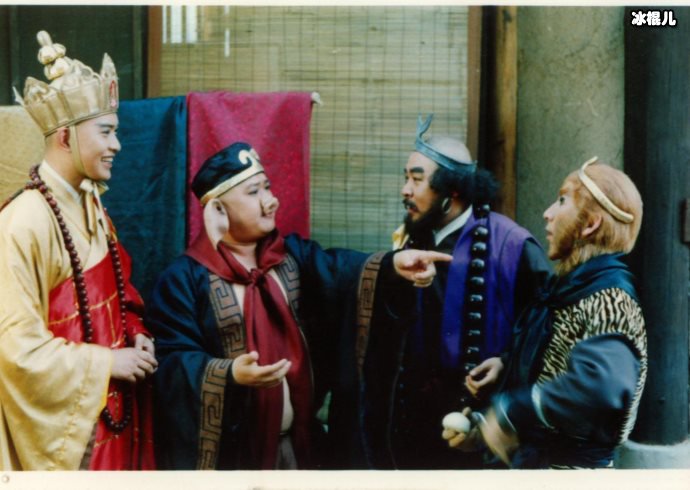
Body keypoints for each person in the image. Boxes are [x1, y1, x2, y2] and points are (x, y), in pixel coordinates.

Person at [146, 141, 451, 470]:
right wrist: (229, 373)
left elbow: (343, 272)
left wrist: (393, 266)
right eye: (253, 192)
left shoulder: (291, 258)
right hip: (232, 461)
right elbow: (170, 362)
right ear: (218, 209)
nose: (270, 201)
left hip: (302, 450)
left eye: (267, 187)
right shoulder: (184, 280)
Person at [357, 114, 552, 469]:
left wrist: (506, 362)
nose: (405, 190)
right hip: (410, 425)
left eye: (417, 179)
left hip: (475, 426)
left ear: (453, 191)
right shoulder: (411, 240)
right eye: (405, 178)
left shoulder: (511, 246)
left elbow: (546, 331)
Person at [0, 31, 157, 470]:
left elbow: (119, 291)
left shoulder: (92, 203)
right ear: (66, 138)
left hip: (112, 407)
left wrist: (135, 332)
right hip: (71, 430)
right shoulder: (22, 222)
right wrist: (107, 362)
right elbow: (15, 350)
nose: (116, 145)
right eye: (106, 132)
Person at [444, 157, 647, 469]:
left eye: (562, 200)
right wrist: (506, 371)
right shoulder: (570, 288)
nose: (547, 213)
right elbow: (557, 365)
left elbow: (599, 389)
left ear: (590, 224)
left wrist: (510, 411)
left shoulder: (611, 299)